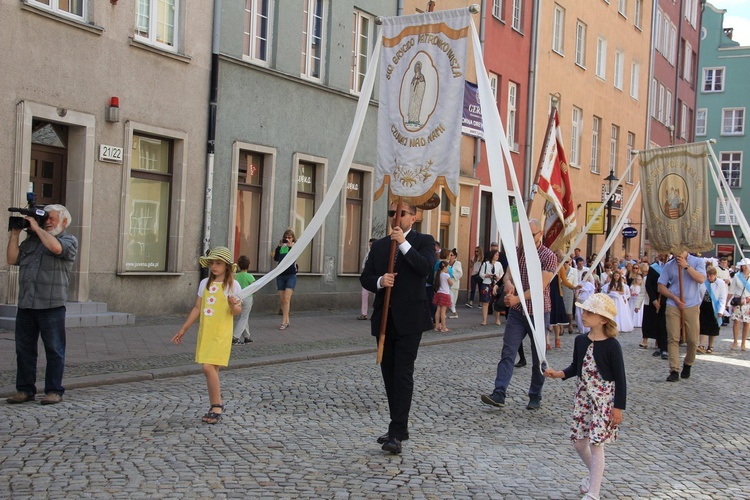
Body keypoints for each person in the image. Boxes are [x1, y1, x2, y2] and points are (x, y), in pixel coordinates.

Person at [360, 202, 436, 454]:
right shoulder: (380, 245)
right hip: (385, 320)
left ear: (413, 218)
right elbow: (366, 277)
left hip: (411, 319)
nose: (395, 217)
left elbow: (425, 269)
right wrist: (381, 281)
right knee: (389, 374)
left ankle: (396, 432)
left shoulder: (424, 241)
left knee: (403, 375)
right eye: (392, 212)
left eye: (401, 213)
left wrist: (403, 243)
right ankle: (399, 426)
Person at [545, 293, 626, 500]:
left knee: (596, 443)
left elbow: (620, 378)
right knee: (579, 442)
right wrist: (559, 374)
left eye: (589, 312)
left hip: (603, 400)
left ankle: (594, 492)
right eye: (584, 311)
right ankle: (594, 476)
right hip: (583, 398)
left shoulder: (612, 345)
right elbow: (576, 366)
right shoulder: (581, 340)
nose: (584, 314)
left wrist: (618, 407)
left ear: (602, 319)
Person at [480, 219, 556, 410]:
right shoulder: (517, 251)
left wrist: (517, 299)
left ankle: (535, 395)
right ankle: (499, 393)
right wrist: (508, 283)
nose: (527, 239)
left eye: (531, 235)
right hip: (517, 314)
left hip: (538, 312)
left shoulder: (548, 256)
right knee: (508, 352)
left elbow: (540, 286)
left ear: (540, 234)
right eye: (525, 235)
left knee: (539, 357)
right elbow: (508, 274)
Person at [5, 204, 78, 405]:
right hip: (27, 305)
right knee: (24, 350)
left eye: (51, 219)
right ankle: (25, 390)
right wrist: (14, 234)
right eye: (45, 218)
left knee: (54, 350)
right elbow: (12, 259)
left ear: (64, 221)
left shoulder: (68, 240)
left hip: (51, 306)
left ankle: (54, 390)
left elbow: (56, 248)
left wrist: (36, 228)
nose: (47, 222)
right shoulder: (32, 242)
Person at [172, 247, 242, 424]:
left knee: (207, 367)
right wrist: (184, 329)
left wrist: (233, 304)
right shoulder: (204, 283)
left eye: (218, 263)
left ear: (226, 266)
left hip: (221, 332)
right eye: (212, 263)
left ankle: (217, 405)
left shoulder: (233, 285)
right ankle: (214, 405)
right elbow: (197, 308)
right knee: (212, 369)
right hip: (206, 332)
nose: (214, 266)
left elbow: (237, 311)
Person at [658, 251, 707, 382]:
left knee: (692, 339)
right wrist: (674, 298)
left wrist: (686, 266)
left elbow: (701, 279)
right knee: (673, 337)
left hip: (691, 304)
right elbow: (661, 286)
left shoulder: (697, 262)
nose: (677, 253)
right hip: (673, 304)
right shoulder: (669, 265)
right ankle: (674, 369)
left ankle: (688, 363)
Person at [697, 266, 727, 354]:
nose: (709, 277)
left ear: (715, 275)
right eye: (708, 275)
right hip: (704, 305)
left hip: (714, 307)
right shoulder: (703, 282)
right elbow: (699, 294)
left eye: (711, 276)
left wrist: (721, 311)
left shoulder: (720, 283)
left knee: (713, 327)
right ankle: (701, 345)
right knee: (703, 325)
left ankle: (710, 346)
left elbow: (722, 298)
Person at [643, 254, 668, 359]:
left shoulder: (671, 266)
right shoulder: (654, 268)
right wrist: (653, 300)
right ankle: (660, 346)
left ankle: (665, 347)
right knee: (658, 323)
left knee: (666, 323)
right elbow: (648, 285)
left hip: (669, 299)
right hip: (656, 300)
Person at [273, 229, 298, 330]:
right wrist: (279, 247)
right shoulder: (282, 247)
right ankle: (287, 319)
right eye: (286, 237)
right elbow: (276, 258)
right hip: (281, 275)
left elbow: (294, 256)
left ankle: (284, 322)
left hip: (291, 275)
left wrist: (291, 247)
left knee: (287, 299)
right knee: (282, 300)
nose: (287, 239)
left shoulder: (295, 246)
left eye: (289, 237)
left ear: (293, 238)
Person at [232, 255, 256, 345]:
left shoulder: (236, 276)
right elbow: (254, 288)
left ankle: (247, 337)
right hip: (248, 298)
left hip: (238, 298)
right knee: (244, 317)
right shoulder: (250, 276)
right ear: (248, 265)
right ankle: (235, 337)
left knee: (244, 317)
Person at [727, 258, 750, 351]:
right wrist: (726, 302)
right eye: (743, 265)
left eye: (746, 265)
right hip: (738, 300)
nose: (744, 267)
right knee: (736, 321)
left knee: (747, 323)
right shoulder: (737, 276)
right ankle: (735, 341)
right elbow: (731, 290)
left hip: (748, 301)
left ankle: (743, 343)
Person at [479, 250, 504, 327]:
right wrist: (487, 275)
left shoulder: (499, 264)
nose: (497, 256)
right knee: (485, 302)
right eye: (496, 255)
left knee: (496, 302)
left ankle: (497, 319)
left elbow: (502, 274)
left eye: (498, 255)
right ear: (492, 255)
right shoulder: (485, 264)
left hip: (495, 284)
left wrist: (498, 277)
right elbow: (481, 274)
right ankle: (484, 320)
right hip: (486, 284)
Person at [358, 238, 377, 320]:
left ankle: (376, 313)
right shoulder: (368, 254)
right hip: (368, 276)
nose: (370, 246)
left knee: (377, 295)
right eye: (369, 245)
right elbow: (363, 265)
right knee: (364, 294)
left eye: (371, 245)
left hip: (376, 276)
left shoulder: (379, 253)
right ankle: (363, 314)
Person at [433, 260, 453, 332]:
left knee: (438, 310)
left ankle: (436, 326)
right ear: (445, 267)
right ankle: (444, 327)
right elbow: (451, 283)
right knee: (443, 311)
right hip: (445, 293)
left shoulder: (439, 274)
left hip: (439, 293)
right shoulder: (446, 275)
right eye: (447, 267)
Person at [447, 248, 463, 319]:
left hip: (454, 283)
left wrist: (451, 274)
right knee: (447, 299)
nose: (450, 256)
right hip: (447, 284)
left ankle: (455, 313)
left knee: (453, 300)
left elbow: (460, 274)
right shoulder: (447, 262)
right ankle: (447, 312)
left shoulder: (458, 263)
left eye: (451, 255)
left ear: (455, 256)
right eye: (449, 255)